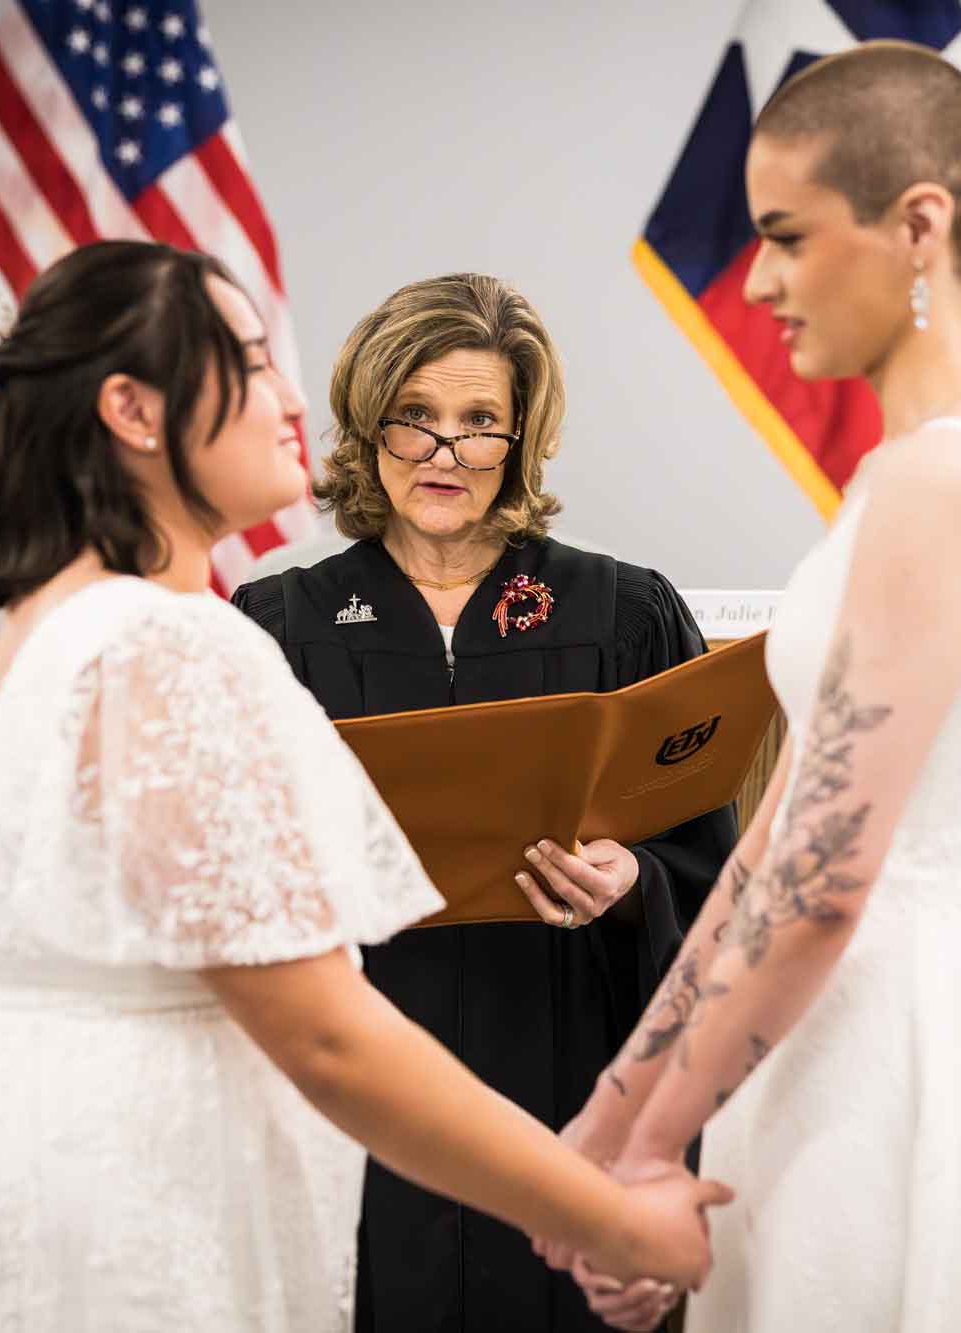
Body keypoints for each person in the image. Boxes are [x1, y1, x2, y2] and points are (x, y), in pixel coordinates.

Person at [0, 241, 729, 1332]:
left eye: (478, 418)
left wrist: (631, 876)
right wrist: (612, 1220)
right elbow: (325, 1036)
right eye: (254, 361)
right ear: (130, 410)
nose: (295, 398)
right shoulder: (190, 643)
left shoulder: (51, 623)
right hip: (136, 1192)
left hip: (13, 1153)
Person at [544, 41, 961, 1332]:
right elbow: (762, 857)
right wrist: (608, 1120)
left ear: (918, 226)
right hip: (826, 1038)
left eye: (787, 236)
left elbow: (826, 881)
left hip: (884, 1062)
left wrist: (644, 1158)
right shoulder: (924, 476)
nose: (763, 280)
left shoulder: (942, 483)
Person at [231, 273, 737, 1332]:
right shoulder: (279, 623)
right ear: (369, 429)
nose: (444, 454)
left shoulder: (622, 611)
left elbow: (705, 864)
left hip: (562, 1042)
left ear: (520, 442)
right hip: (365, 1058)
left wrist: (633, 881)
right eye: (414, 418)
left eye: (478, 425)